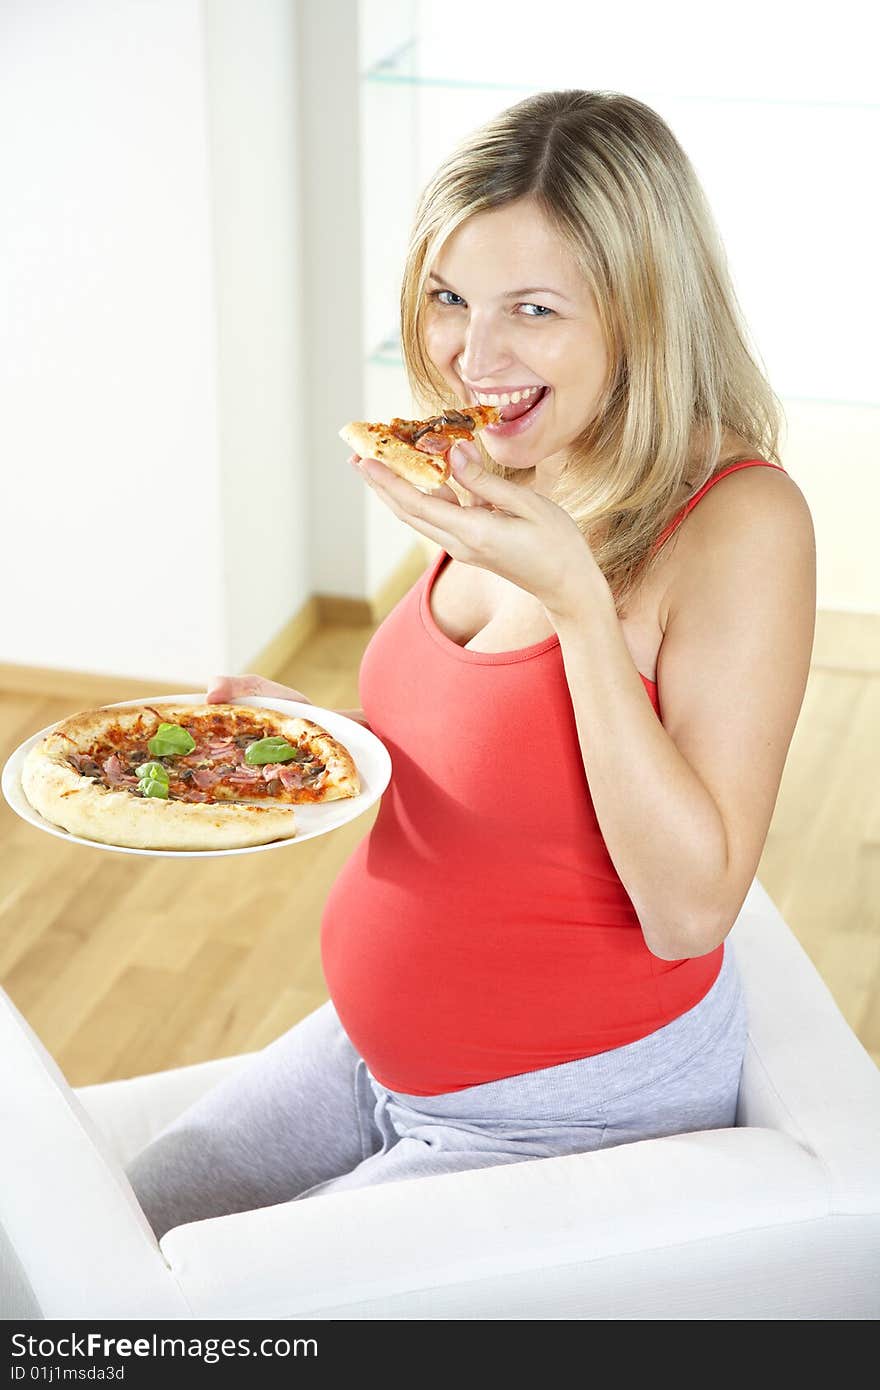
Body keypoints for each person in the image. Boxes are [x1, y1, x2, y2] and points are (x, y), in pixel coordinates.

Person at [125, 90, 815, 1240]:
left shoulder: (739, 525)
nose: (471, 354)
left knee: (165, 1324)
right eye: (448, 297)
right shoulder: (506, 456)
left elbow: (691, 908)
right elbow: (504, 765)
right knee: (96, 1243)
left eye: (532, 310)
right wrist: (318, 741)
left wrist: (580, 608)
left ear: (643, 315)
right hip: (374, 1056)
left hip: (564, 1108)